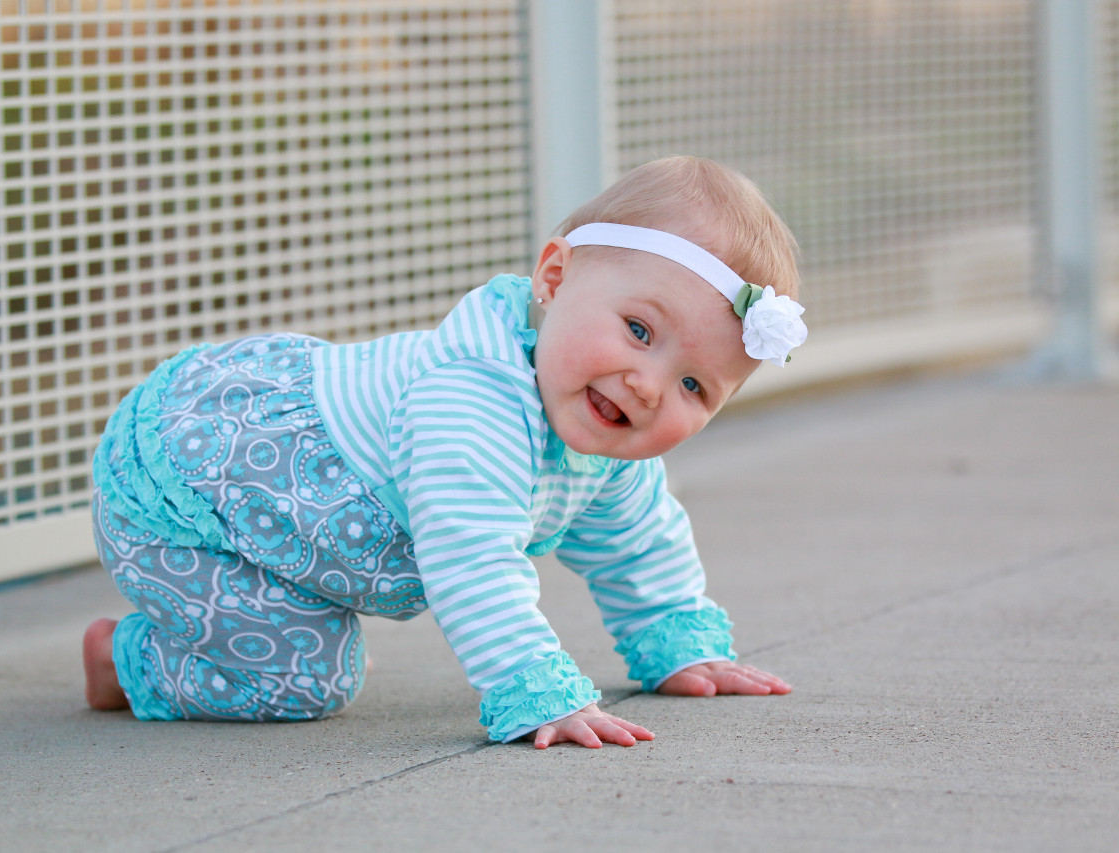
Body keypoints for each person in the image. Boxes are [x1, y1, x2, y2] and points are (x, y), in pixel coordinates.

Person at [82, 155, 806, 749]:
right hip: (189, 493)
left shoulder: (612, 442)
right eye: (639, 331)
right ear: (554, 279)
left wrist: (678, 643)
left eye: (692, 384)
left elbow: (638, 543)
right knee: (303, 680)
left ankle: (195, 637)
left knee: (311, 653)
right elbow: (473, 560)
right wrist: (535, 687)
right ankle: (130, 660)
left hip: (273, 527)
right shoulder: (471, 402)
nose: (648, 386)